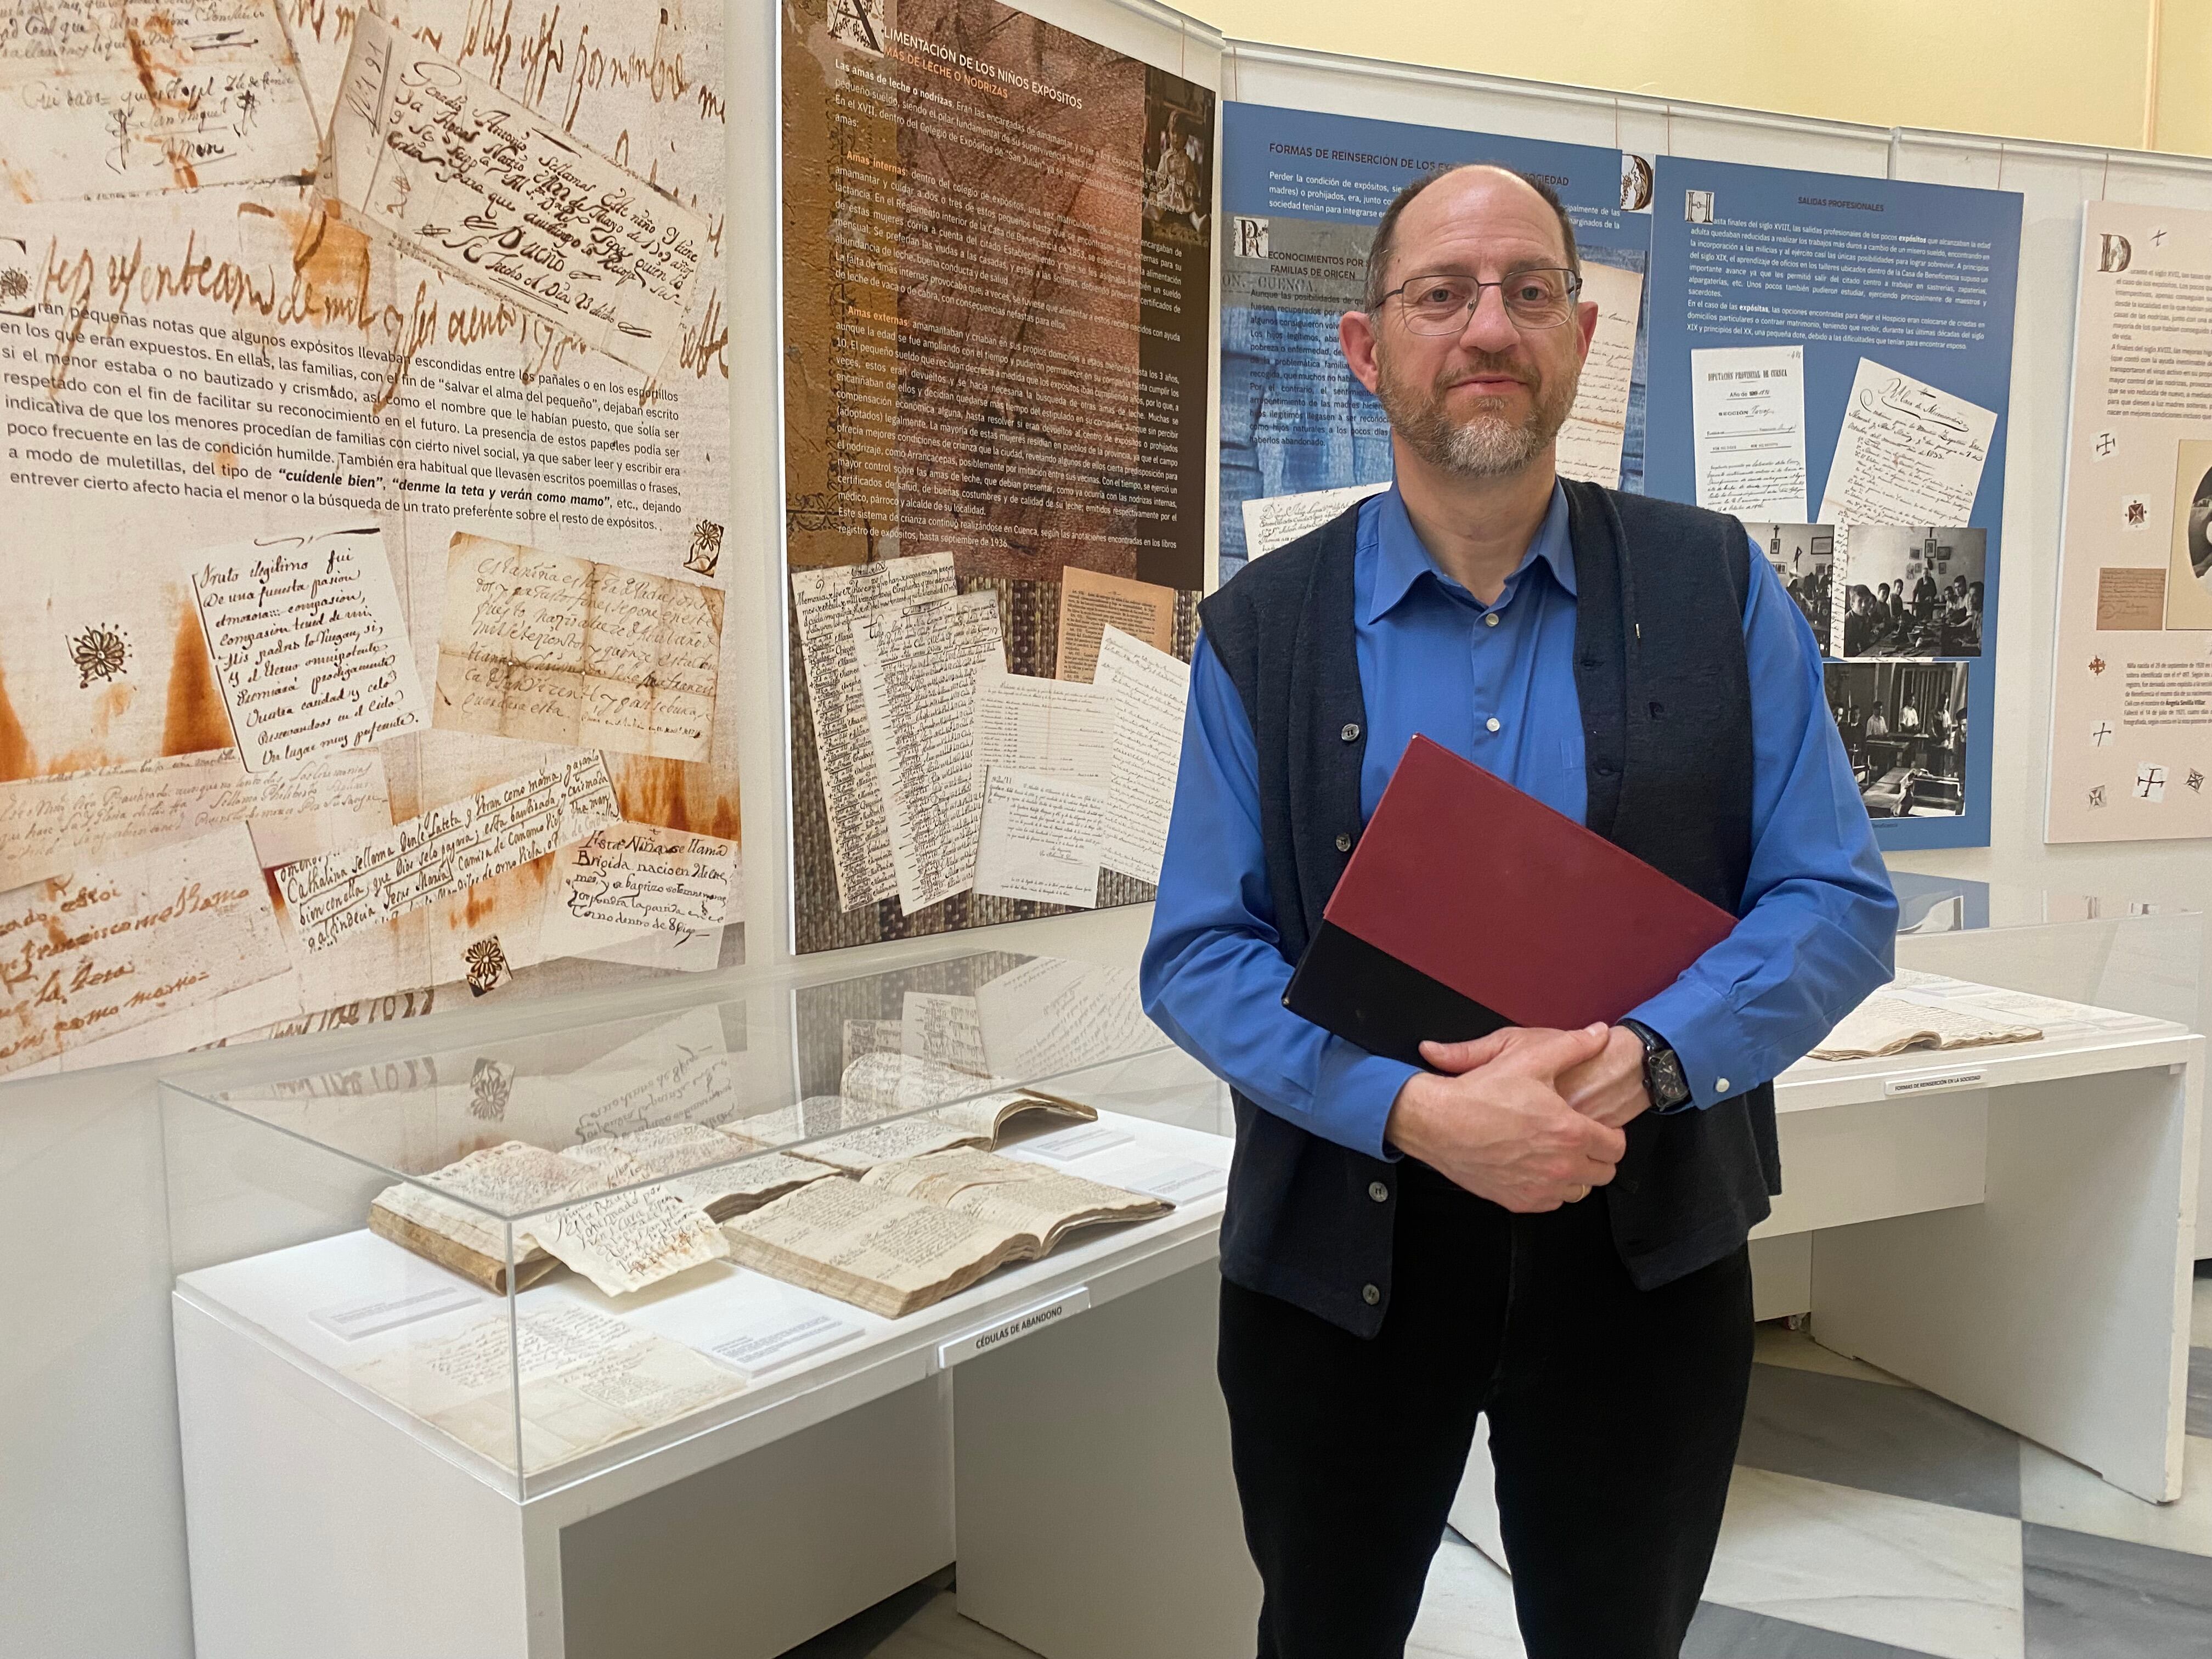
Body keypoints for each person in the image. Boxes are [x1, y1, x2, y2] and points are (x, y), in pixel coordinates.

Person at [1141, 163, 1897, 1659]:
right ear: (1368, 348)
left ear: (1581, 331)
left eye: (1528, 291)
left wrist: (1642, 1058)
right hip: (1339, 1265)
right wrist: (1420, 1117)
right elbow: (1200, 953)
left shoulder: (1718, 587)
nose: (1488, 326)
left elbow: (1835, 900)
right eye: (1442, 293)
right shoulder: (1263, 631)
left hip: (1644, 1252)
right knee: (1323, 1635)